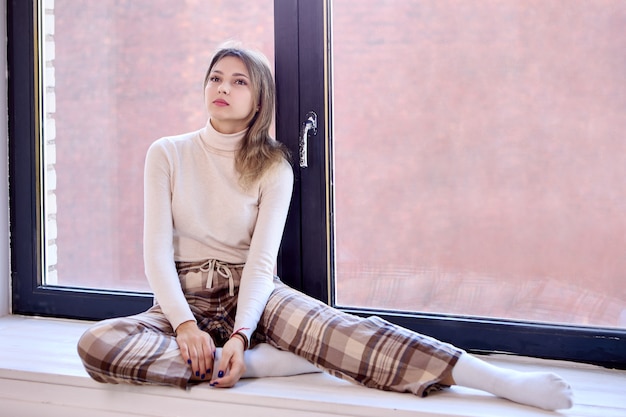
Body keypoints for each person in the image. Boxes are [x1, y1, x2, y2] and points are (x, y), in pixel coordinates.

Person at [77, 42, 573, 411]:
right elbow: (156, 253)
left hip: (254, 293)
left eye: (239, 81)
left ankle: (498, 380)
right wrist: (185, 325)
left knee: (349, 331)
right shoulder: (166, 152)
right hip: (183, 295)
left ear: (260, 100)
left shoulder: (273, 167)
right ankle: (252, 362)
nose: (223, 88)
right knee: (96, 345)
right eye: (215, 78)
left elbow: (261, 262)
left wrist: (242, 336)